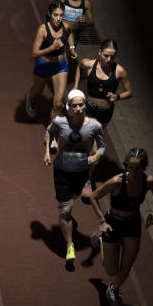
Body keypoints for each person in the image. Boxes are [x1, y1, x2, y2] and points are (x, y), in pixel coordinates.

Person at [89, 148, 153, 306]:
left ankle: (113, 289)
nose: (134, 171)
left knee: (127, 265)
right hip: (112, 223)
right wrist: (102, 221)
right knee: (111, 270)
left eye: (138, 167)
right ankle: (101, 235)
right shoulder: (117, 181)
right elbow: (93, 197)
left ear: (144, 167)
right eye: (130, 167)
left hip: (132, 224)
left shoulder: (149, 182)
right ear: (126, 166)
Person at [44, 89, 106, 269]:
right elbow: (49, 132)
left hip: (81, 172)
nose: (79, 108)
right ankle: (70, 245)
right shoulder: (59, 122)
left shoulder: (94, 126)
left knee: (72, 200)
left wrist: (97, 157)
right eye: (75, 106)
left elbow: (102, 146)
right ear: (68, 107)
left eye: (81, 105)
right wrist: (47, 151)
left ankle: (86, 182)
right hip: (62, 171)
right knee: (66, 209)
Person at [73, 38, 132, 195]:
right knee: (94, 149)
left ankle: (82, 169)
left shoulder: (119, 71)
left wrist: (117, 97)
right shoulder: (88, 64)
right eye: (106, 55)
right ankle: (87, 177)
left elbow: (129, 92)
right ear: (99, 53)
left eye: (112, 56)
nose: (109, 59)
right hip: (89, 110)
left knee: (89, 144)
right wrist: (75, 86)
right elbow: (78, 67)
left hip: (105, 114)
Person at [26, 0, 77, 122]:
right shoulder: (43, 29)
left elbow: (69, 34)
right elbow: (34, 53)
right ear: (49, 14)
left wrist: (71, 48)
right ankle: (31, 100)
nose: (58, 19)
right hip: (43, 65)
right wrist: (52, 47)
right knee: (37, 91)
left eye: (61, 15)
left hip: (60, 66)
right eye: (55, 15)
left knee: (59, 103)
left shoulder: (66, 26)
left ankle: (52, 135)